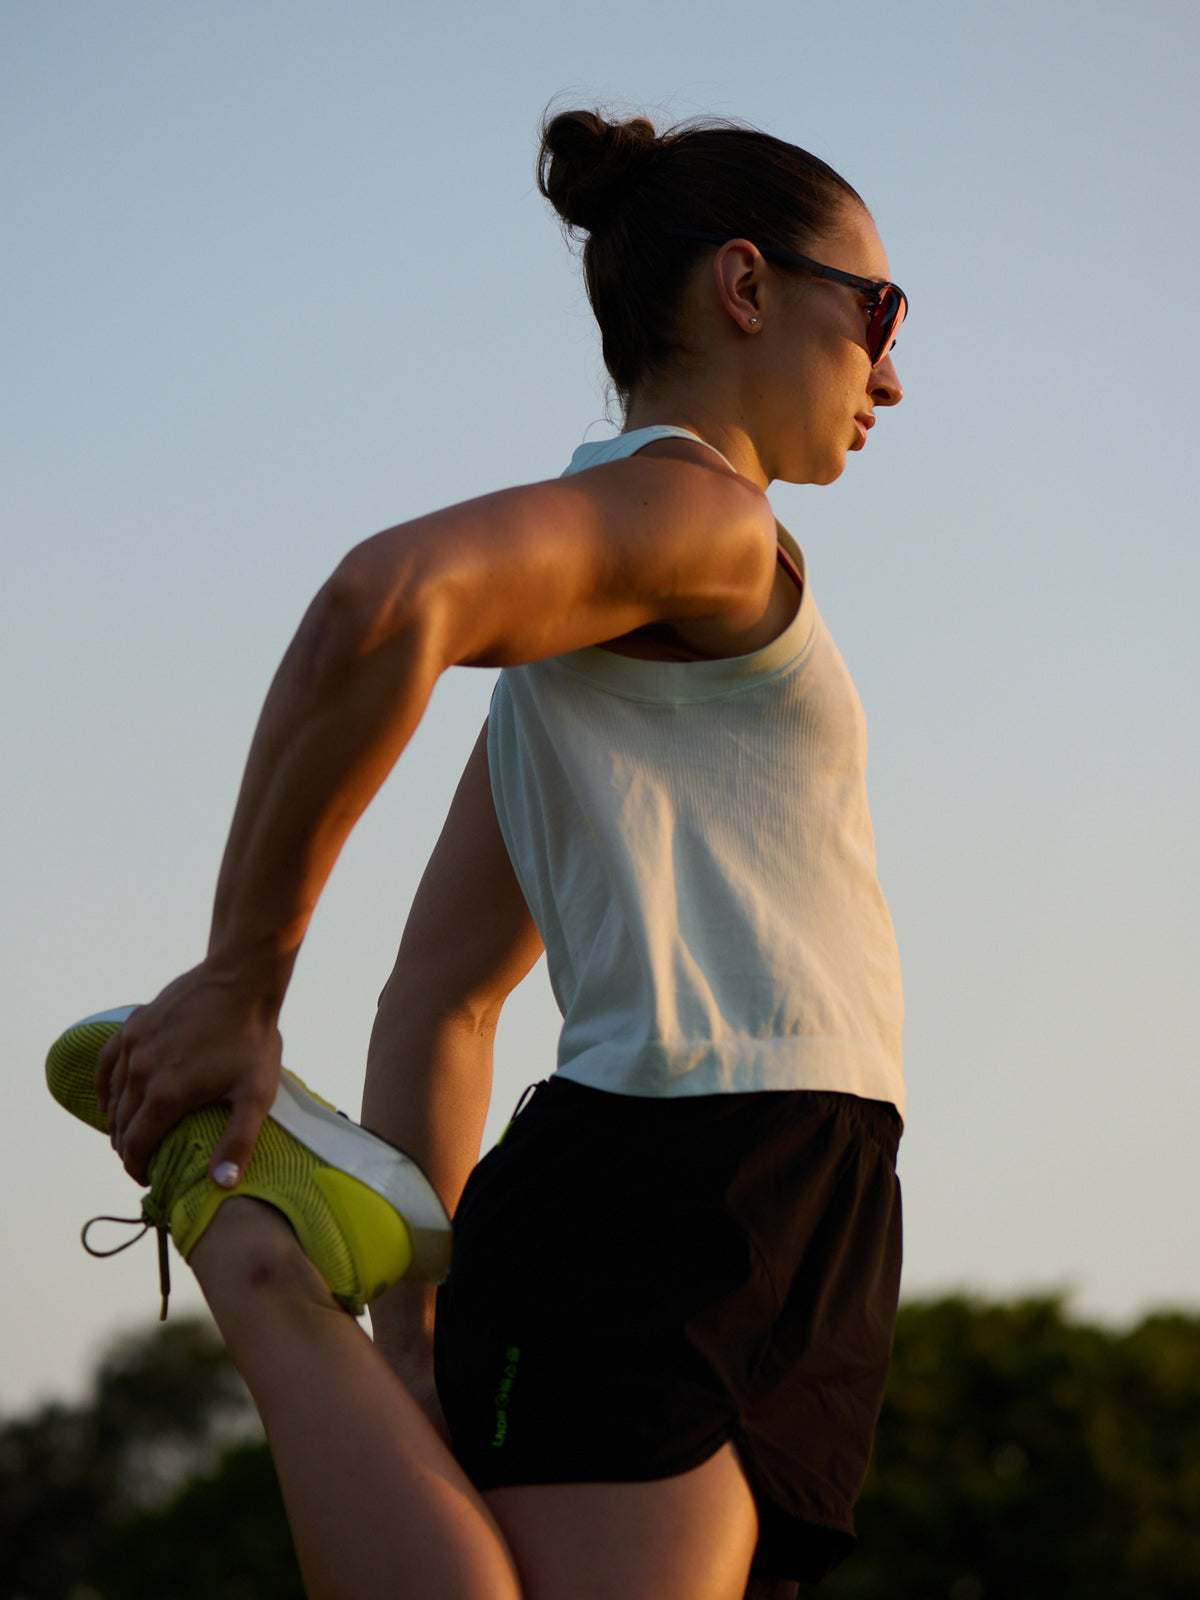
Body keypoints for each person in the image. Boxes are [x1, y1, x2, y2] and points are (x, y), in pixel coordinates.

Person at [48, 107, 907, 1599]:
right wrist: (242, 983)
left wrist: (419, 1345)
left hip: (785, 1190)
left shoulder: (596, 661)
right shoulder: (699, 517)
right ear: (748, 288)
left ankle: (284, 1248)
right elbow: (384, 599)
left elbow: (443, 996)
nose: (892, 370)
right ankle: (251, 1252)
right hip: (680, 1179)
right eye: (879, 310)